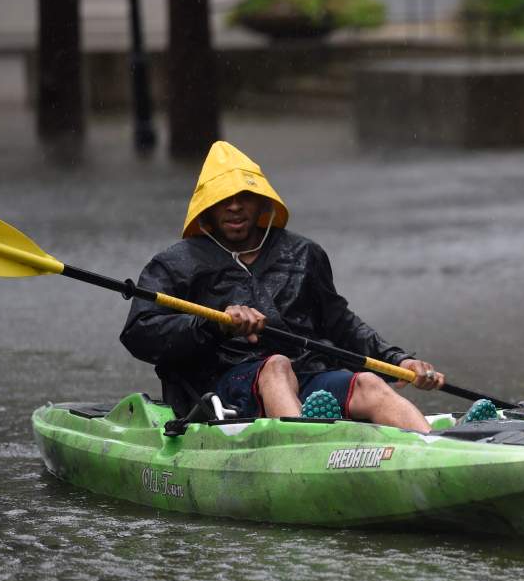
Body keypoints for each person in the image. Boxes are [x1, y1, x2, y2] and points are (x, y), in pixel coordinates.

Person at [121, 140, 444, 433]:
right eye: (223, 199)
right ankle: (308, 451)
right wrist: (214, 324)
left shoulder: (304, 254)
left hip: (307, 376)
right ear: (207, 207)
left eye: (244, 197)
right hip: (222, 388)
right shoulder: (174, 264)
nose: (234, 206)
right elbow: (140, 332)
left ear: (262, 204)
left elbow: (340, 322)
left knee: (369, 382)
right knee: (276, 366)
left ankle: (438, 452)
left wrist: (398, 361)